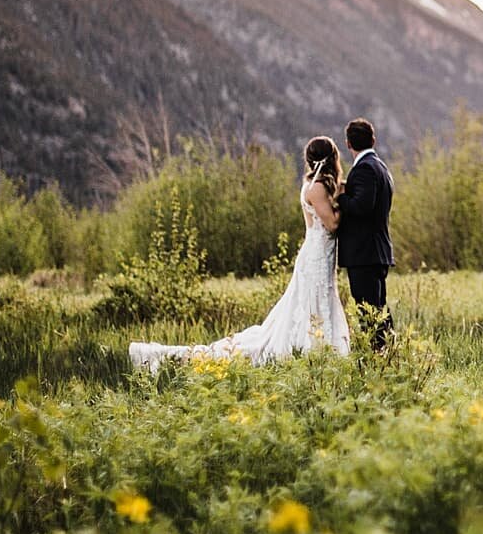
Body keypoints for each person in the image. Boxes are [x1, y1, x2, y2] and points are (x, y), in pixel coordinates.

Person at [128, 136, 351, 370]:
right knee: (311, 300)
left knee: (320, 297)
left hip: (321, 254)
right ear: (332, 158)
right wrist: (346, 201)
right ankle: (312, 349)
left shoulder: (317, 185)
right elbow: (333, 224)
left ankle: (322, 348)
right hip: (315, 255)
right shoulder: (315, 188)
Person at [335, 117, 394, 349]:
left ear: (348, 143)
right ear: (373, 140)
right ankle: (389, 355)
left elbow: (361, 206)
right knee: (378, 310)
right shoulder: (380, 167)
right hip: (375, 252)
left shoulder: (365, 169)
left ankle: (378, 358)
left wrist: (341, 195)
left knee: (369, 313)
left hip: (364, 253)